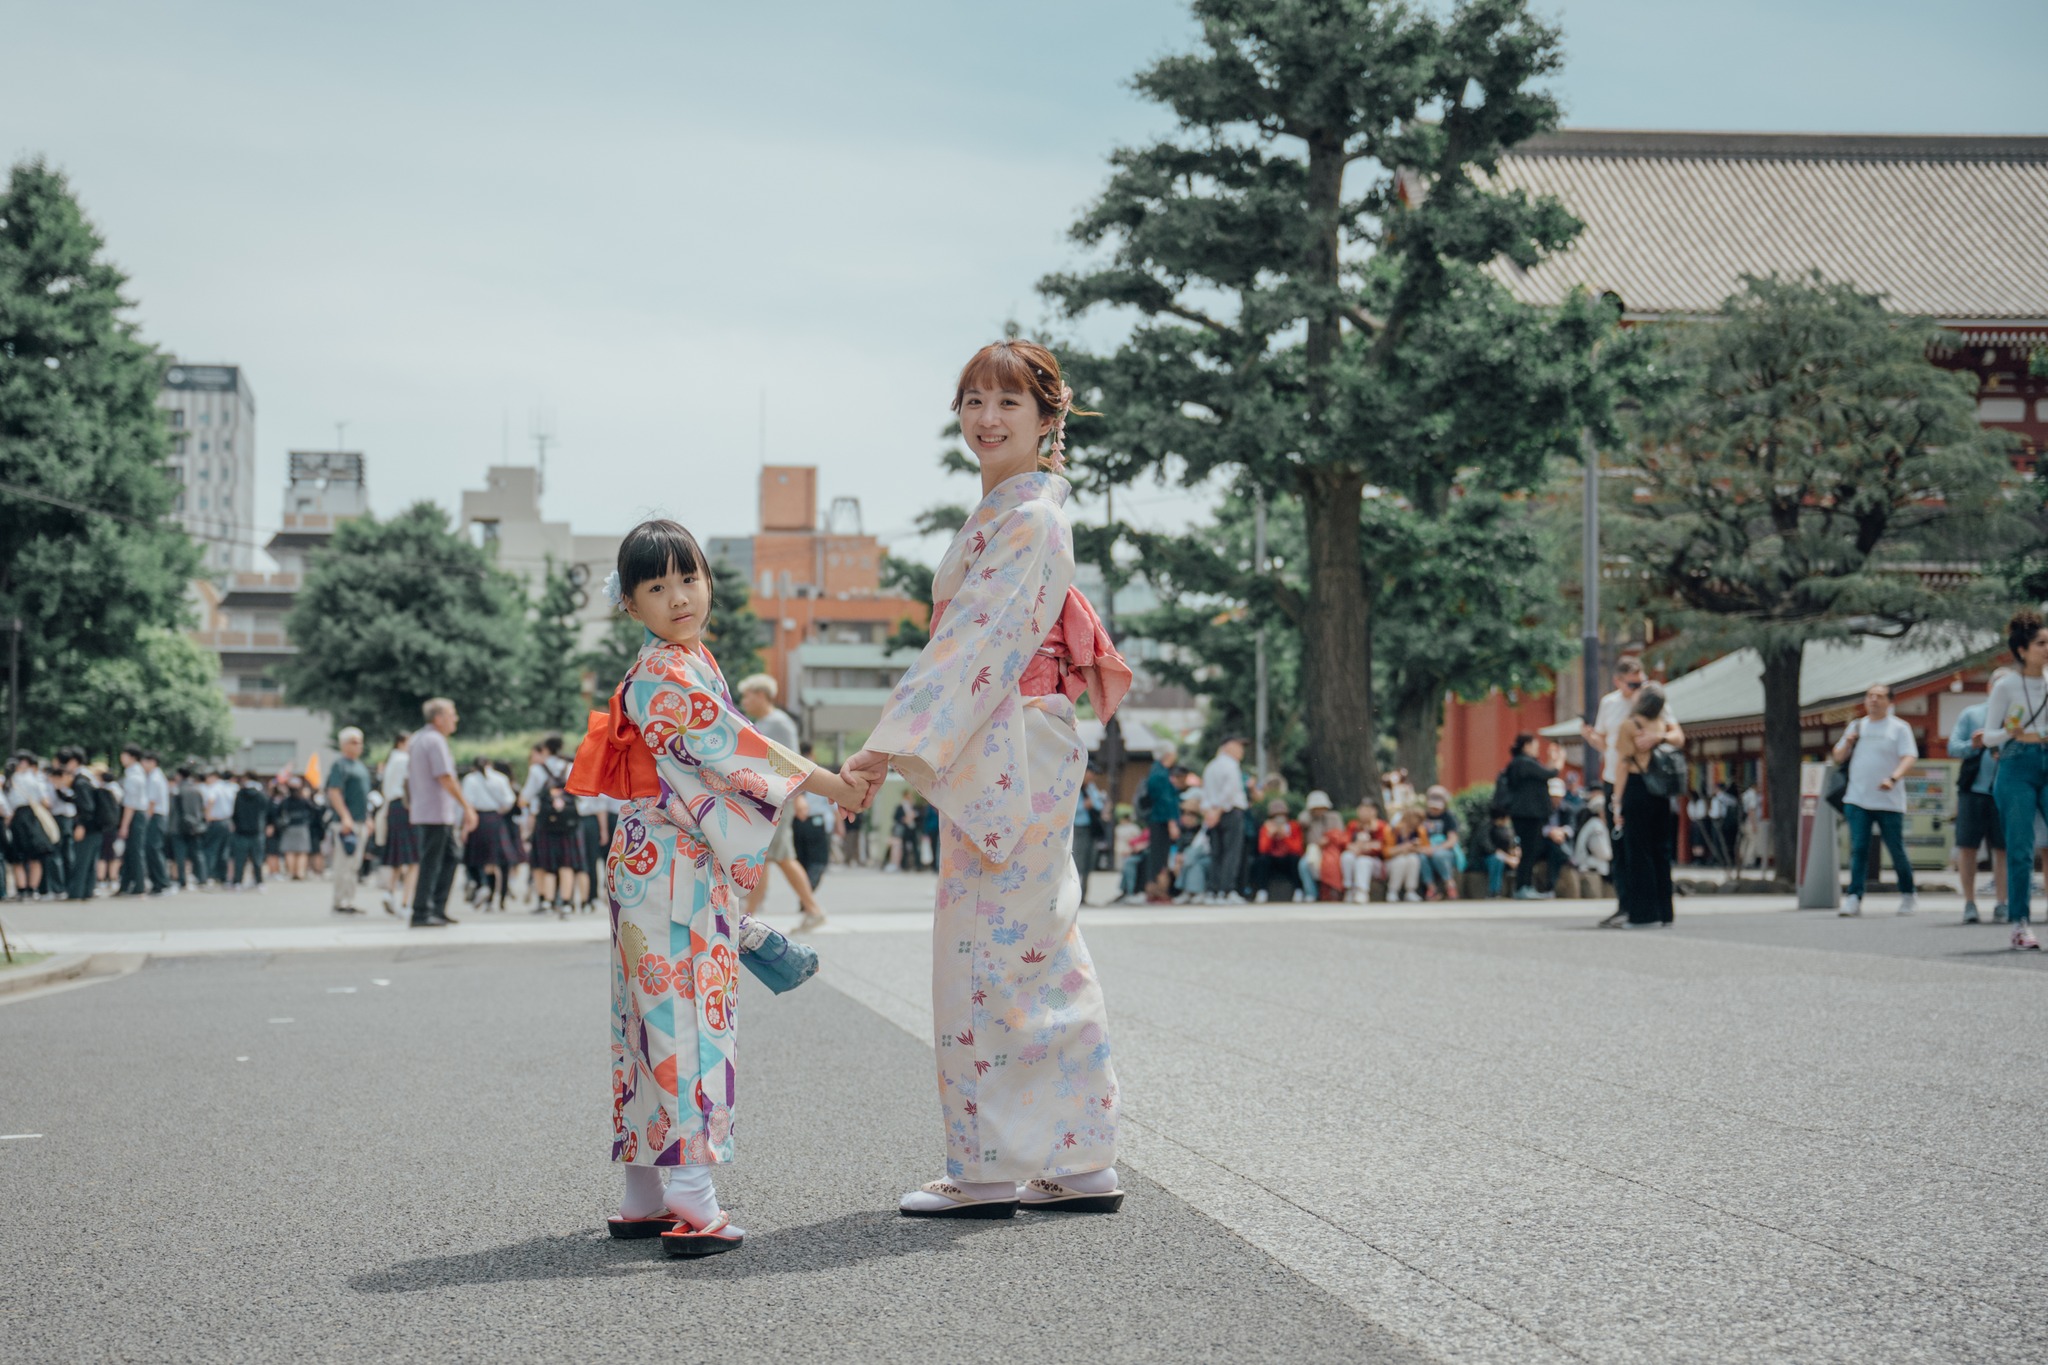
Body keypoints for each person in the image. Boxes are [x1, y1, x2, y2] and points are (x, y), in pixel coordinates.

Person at [844, 339, 1131, 1219]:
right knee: (1041, 946)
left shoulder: (1028, 518)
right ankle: (1081, 1157)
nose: (986, 418)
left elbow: (973, 643)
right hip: (1020, 741)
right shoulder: (1016, 511)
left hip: (1009, 744)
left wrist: (884, 747)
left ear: (1051, 421)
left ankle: (983, 1170)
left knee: (980, 951)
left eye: (1009, 402)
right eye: (973, 400)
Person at [572, 517, 872, 1256]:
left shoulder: (678, 664)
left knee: (647, 1021)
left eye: (689, 577)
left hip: (654, 859)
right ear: (631, 604)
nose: (679, 596)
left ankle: (643, 1190)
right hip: (672, 861)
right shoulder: (669, 674)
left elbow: (730, 748)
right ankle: (693, 1196)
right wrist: (834, 781)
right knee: (687, 1023)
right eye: (656, 586)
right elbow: (737, 751)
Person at [735, 674, 829, 932]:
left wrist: (798, 798)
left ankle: (812, 909)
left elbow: (792, 762)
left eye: (748, 695)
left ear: (761, 695)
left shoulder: (779, 722)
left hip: (780, 800)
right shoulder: (765, 722)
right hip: (770, 800)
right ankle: (750, 916)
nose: (744, 701)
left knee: (777, 856)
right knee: (767, 857)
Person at [1981, 610, 2048, 949]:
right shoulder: (2007, 685)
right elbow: (1989, 736)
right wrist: (2011, 731)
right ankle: (2020, 923)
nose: (2047, 648)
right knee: (2020, 849)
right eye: (2041, 643)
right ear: (2022, 650)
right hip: (2016, 765)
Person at [1830, 682, 1921, 918]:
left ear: (1890, 702)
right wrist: (1849, 741)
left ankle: (1908, 893)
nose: (1873, 700)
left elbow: (1909, 756)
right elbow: (1838, 756)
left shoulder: (1899, 728)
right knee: (1859, 848)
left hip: (1889, 799)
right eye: (1870, 696)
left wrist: (1893, 777)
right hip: (1857, 798)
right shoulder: (1857, 726)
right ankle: (1854, 896)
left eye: (1879, 696)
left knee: (1895, 848)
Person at [1582, 655, 1686, 829]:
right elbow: (1606, 745)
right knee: (1619, 842)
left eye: (1642, 683)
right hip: (1614, 778)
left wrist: (1658, 738)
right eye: (1633, 685)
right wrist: (1590, 737)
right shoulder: (1609, 703)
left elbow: (1679, 737)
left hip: (1645, 780)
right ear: (1617, 681)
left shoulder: (1653, 701)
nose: (1639, 689)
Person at [1608, 685, 1676, 927]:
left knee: (1638, 853)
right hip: (1661, 792)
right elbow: (1680, 738)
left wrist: (1616, 802)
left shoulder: (1629, 726)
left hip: (1638, 787)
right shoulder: (1661, 725)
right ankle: (1665, 911)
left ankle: (1644, 915)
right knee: (1661, 851)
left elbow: (1622, 765)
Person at [407, 698, 476, 928]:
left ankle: (435, 907)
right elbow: (445, 776)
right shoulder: (435, 741)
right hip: (435, 812)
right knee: (433, 862)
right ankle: (422, 911)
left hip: (428, 811)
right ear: (438, 718)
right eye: (451, 714)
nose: (455, 719)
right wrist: (466, 806)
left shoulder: (418, 739)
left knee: (449, 857)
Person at [1949, 670, 2012, 925]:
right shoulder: (1971, 714)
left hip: (2006, 791)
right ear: (1989, 688)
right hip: (1973, 791)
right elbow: (1953, 747)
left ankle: (2002, 903)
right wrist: (1972, 746)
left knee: (2003, 849)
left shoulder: (2018, 717)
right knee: (1967, 848)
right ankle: (1969, 903)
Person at [1499, 735, 1561, 900]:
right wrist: (1559, 759)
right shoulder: (1523, 762)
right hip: (1528, 814)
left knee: (1531, 849)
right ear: (1526, 745)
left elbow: (1541, 774)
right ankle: (1522, 886)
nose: (1537, 749)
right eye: (1534, 745)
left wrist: (1549, 759)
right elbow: (1550, 773)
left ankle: (1525, 885)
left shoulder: (1522, 763)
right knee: (1529, 849)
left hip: (1528, 814)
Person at [324, 728, 372, 914]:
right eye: (353, 741)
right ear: (343, 744)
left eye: (360, 741)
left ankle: (349, 900)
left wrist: (367, 817)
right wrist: (345, 816)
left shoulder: (360, 766)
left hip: (360, 821)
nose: (358, 745)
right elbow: (334, 792)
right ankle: (339, 901)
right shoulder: (340, 765)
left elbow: (363, 796)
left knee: (354, 864)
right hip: (346, 823)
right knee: (343, 864)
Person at [1198, 736, 1250, 905]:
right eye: (1238, 746)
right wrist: (1219, 810)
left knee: (1216, 853)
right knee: (1231, 853)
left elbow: (1205, 792)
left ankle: (1213, 890)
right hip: (1229, 811)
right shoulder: (1231, 765)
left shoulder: (1210, 766)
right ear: (1227, 747)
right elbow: (1230, 790)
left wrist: (1209, 812)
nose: (1241, 751)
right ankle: (1227, 891)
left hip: (1212, 814)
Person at [378, 733, 417, 916]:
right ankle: (405, 902)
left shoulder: (391, 760)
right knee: (414, 859)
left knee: (396, 856)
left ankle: (389, 892)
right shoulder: (405, 759)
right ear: (402, 742)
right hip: (406, 807)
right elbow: (411, 784)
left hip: (392, 808)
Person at [6, 753, 55, 899]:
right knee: (36, 857)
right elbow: (45, 800)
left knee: (18, 858)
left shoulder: (9, 780)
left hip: (16, 818)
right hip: (32, 817)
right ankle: (33, 889)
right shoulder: (34, 778)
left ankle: (21, 890)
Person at [1140, 744, 1180, 902]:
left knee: (1157, 854)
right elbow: (1165, 800)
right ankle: (1157, 889)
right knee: (1159, 856)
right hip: (1161, 820)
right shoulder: (1160, 773)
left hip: (1157, 819)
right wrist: (1172, 822)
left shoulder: (1156, 771)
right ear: (1168, 754)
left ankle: (1155, 889)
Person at [1251, 798, 1303, 903]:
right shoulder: (1266, 827)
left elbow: (1297, 849)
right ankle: (1262, 891)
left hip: (1288, 859)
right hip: (1273, 860)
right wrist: (1271, 835)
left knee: (1295, 860)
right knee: (1262, 860)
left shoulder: (1293, 826)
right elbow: (1262, 849)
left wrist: (1285, 837)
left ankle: (1298, 891)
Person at [1298, 790, 1346, 902]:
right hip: (1313, 850)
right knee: (1304, 864)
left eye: (1322, 807)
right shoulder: (1307, 819)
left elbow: (1339, 835)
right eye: (1316, 807)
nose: (1319, 810)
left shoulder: (1334, 817)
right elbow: (1302, 820)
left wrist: (1328, 839)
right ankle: (1311, 893)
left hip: (1332, 850)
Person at [1342, 801, 1392, 903]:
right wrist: (1357, 847)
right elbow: (1346, 843)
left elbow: (1382, 846)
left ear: (1374, 812)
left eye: (1368, 810)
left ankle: (1362, 891)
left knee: (1363, 861)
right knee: (1346, 857)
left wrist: (1365, 847)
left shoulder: (1381, 826)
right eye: (1362, 810)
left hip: (1375, 862)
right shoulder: (1353, 825)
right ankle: (1349, 888)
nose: (1364, 813)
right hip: (1356, 855)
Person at [1419, 786, 1462, 901]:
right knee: (1422, 857)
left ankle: (1450, 884)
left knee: (1439, 855)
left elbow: (1452, 840)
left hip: (1444, 850)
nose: (1434, 810)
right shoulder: (1423, 816)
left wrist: (1435, 849)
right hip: (1426, 849)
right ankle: (1431, 888)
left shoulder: (1449, 817)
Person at [1071, 767, 1107, 906]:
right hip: (1078, 827)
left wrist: (1091, 804)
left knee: (1089, 861)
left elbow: (1098, 804)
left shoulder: (1091, 787)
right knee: (1078, 861)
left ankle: (1084, 895)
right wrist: (1084, 806)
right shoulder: (1074, 786)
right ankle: (1075, 896)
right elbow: (1071, 809)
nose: (1092, 778)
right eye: (1091, 774)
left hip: (1091, 828)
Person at [227, 772, 268, 890]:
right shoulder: (260, 795)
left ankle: (237, 882)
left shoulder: (239, 794)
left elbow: (234, 813)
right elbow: (266, 810)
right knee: (257, 860)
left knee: (239, 860)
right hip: (256, 832)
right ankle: (259, 882)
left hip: (240, 832)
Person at [1475, 809, 1520, 898]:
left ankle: (1518, 890)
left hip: (1506, 858)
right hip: (1486, 859)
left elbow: (1513, 843)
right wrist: (1507, 858)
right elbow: (1488, 848)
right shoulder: (1486, 828)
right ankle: (1494, 891)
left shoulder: (1506, 829)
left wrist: (1515, 852)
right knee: (1496, 860)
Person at [1573, 793, 1613, 887]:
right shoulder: (1596, 826)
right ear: (1601, 811)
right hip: (1590, 864)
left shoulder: (1596, 824)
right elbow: (1601, 851)